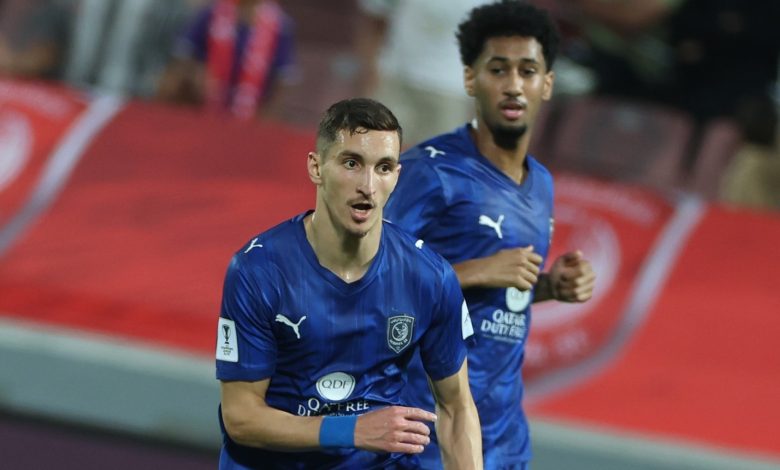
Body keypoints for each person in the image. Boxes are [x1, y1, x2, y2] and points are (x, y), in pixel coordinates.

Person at [215, 98, 483, 469]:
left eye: (383, 167)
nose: (368, 186)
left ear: (397, 176)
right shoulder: (258, 270)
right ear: (316, 167)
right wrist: (351, 430)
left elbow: (456, 408)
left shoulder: (430, 277)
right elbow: (241, 418)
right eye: (352, 163)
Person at [384, 1, 596, 468]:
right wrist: (479, 270)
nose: (513, 85)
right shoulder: (429, 171)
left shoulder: (541, 184)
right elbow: (368, 286)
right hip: (425, 431)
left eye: (528, 71)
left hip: (503, 435)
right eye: (498, 69)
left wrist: (549, 286)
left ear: (547, 84)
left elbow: (497, 301)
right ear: (470, 78)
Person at [355, 0, 490, 147]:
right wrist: (370, 70)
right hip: (396, 78)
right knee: (375, 149)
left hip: (449, 91)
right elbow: (374, 19)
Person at [159, 0, 298, 120]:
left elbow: (283, 79)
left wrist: (266, 117)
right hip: (201, 105)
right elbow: (183, 56)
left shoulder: (279, 25)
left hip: (250, 114)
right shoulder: (212, 13)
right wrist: (196, 73)